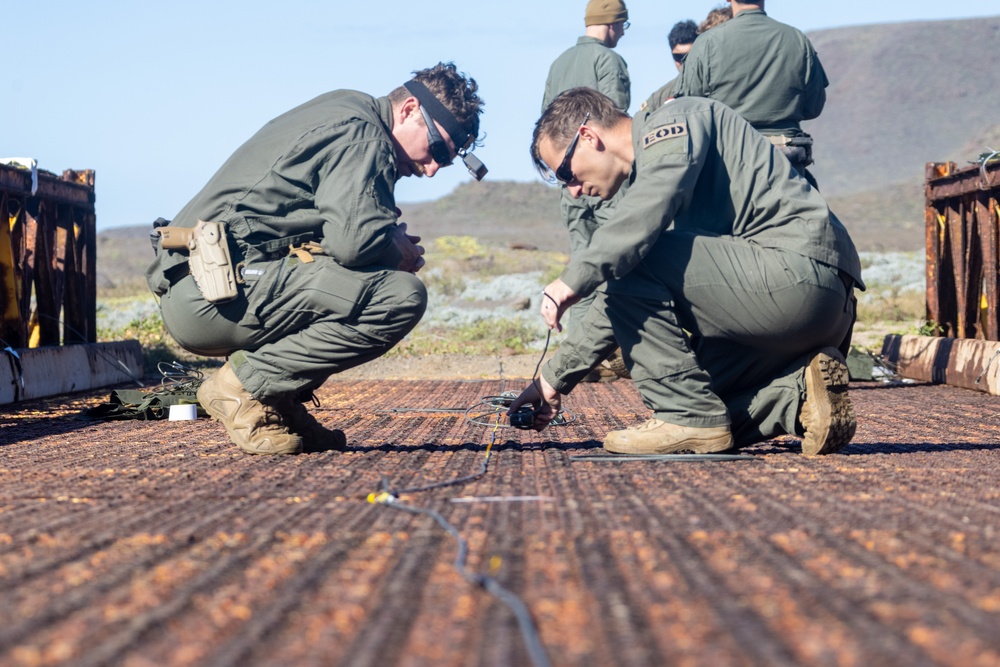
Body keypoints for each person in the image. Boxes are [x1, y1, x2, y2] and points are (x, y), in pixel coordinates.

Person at [145, 62, 486, 456]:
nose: (431, 170)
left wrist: (383, 238)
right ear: (409, 109)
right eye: (438, 149)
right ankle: (242, 387)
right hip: (211, 294)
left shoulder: (349, 110)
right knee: (398, 295)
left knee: (361, 281)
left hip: (209, 285)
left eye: (445, 161)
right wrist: (397, 251)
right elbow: (354, 244)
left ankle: (278, 401)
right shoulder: (363, 136)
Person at [509, 88, 864, 456]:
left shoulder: (672, 121)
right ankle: (796, 396)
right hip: (808, 309)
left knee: (634, 260)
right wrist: (552, 379)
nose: (574, 192)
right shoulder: (647, 184)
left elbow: (640, 231)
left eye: (566, 173)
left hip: (798, 279)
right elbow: (621, 298)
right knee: (705, 399)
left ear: (588, 136)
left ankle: (685, 417)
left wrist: (574, 279)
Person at [541, 0, 632, 382]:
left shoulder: (559, 62)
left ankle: (581, 353)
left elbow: (546, 124)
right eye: (624, 25)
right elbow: (616, 119)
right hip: (603, 180)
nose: (624, 33)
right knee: (617, 259)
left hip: (569, 183)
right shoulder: (610, 63)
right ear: (611, 25)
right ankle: (615, 350)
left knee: (581, 258)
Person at [673, 0, 828, 186]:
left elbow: (687, 109)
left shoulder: (707, 43)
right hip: (789, 168)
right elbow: (814, 106)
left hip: (728, 170)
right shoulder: (797, 39)